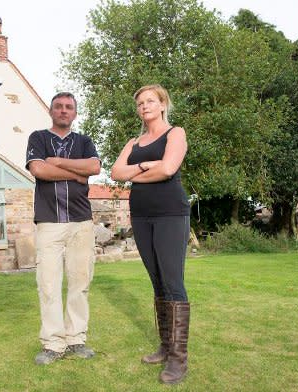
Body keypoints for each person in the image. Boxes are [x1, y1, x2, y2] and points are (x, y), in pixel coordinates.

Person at [111, 84, 191, 384]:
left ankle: (178, 360)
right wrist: (146, 163)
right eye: (140, 102)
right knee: (157, 282)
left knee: (173, 283)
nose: (144, 106)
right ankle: (165, 346)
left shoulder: (176, 133)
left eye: (150, 101)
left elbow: (168, 169)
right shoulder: (135, 141)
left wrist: (140, 171)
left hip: (171, 213)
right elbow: (117, 173)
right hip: (141, 215)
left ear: (161, 105)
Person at [26, 92, 101, 365]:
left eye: (69, 107)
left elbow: (94, 166)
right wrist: (76, 174)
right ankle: (53, 343)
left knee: (80, 283)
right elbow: (39, 170)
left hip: (81, 222)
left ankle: (76, 339)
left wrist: (58, 162)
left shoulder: (83, 141)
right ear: (51, 111)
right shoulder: (38, 138)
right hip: (49, 222)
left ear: (75, 113)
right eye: (58, 106)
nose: (63, 110)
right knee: (48, 284)